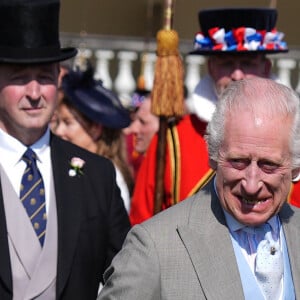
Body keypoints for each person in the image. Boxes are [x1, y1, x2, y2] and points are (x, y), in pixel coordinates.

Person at [98, 77, 300, 299]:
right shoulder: (153, 246)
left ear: (295, 166)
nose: (251, 185)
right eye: (237, 161)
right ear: (213, 155)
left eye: (268, 165)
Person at [0, 1, 130, 299]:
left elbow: (127, 275)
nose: (34, 94)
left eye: (45, 77)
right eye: (19, 79)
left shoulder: (97, 175)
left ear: (59, 80)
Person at [129, 7, 293, 225]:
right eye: (226, 63)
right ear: (211, 67)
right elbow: (141, 220)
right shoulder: (172, 138)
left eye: (247, 62)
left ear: (266, 66)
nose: (237, 75)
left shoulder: (293, 138)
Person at [54, 66, 134, 212]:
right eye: (58, 122)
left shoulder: (108, 179)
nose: (59, 131)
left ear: (95, 129)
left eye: (68, 123)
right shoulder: (73, 165)